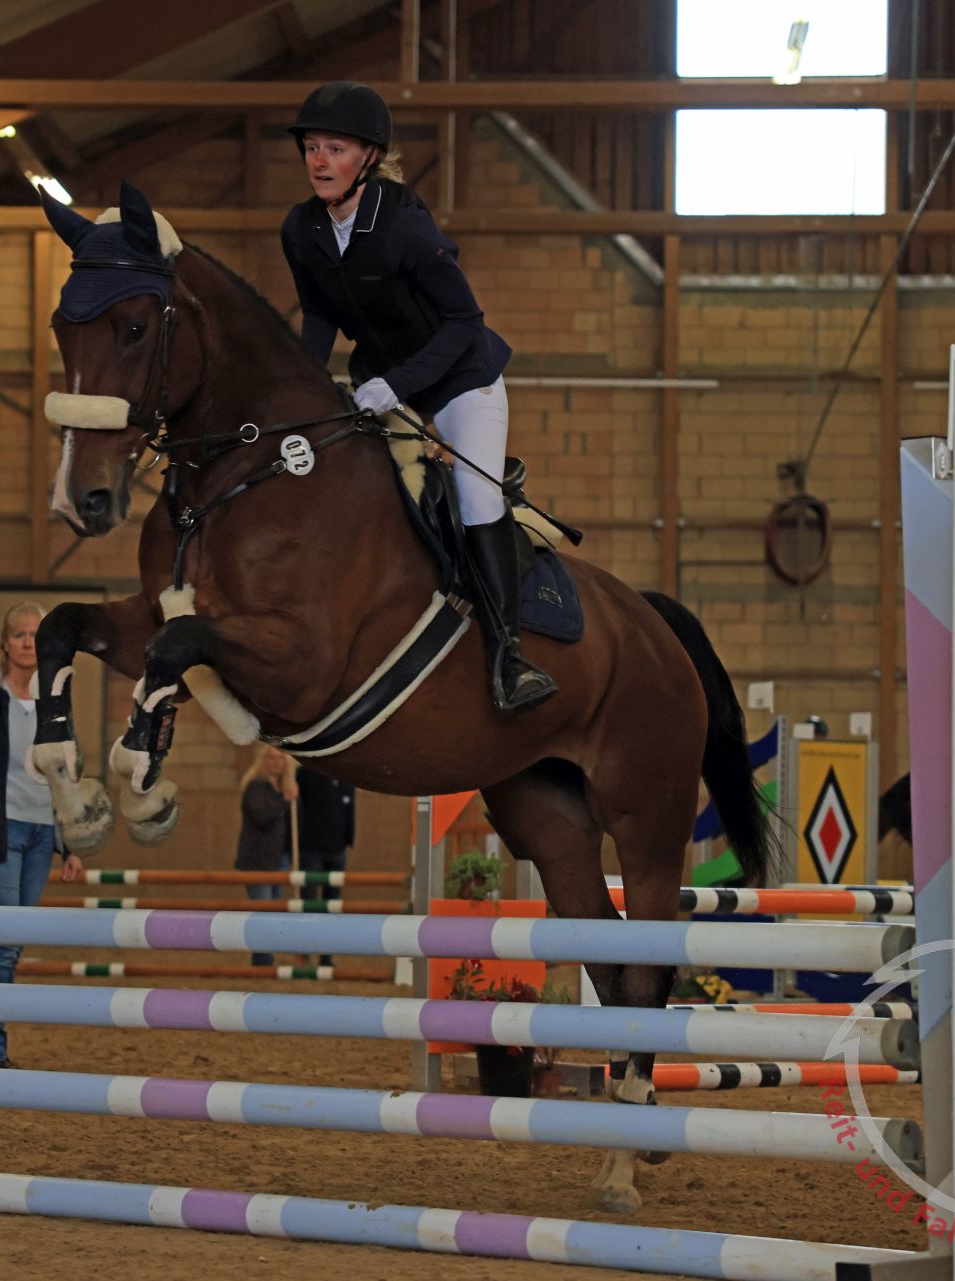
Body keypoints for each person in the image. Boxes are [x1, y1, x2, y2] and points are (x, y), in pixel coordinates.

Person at [280, 81, 556, 715]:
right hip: (381, 383)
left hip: (460, 379)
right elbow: (319, 315)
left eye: (336, 149)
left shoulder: (404, 225)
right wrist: (299, 385)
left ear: (369, 158)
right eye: (313, 148)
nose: (319, 161)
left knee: (477, 497)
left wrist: (398, 385)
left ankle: (509, 656)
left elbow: (464, 320)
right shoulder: (302, 228)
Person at [0, 602, 83, 1069]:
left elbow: (66, 773)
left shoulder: (54, 700)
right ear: (5, 643)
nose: (28, 642)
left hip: (43, 833)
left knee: (14, 942)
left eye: (35, 635)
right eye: (20, 634)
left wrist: (70, 843)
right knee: (2, 944)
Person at [235, 745, 300, 967]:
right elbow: (262, 816)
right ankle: (262, 958)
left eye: (280, 758)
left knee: (273, 909)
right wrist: (285, 801)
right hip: (258, 860)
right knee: (263, 909)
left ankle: (266, 955)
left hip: (278, 859)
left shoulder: (284, 788)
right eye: (271, 758)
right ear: (263, 761)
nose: (276, 762)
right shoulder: (256, 787)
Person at [293, 763, 356, 967]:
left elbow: (349, 808)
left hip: (337, 848)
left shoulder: (346, 775)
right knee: (309, 902)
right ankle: (304, 952)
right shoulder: (305, 773)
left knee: (332, 904)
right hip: (311, 848)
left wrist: (348, 838)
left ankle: (326, 955)